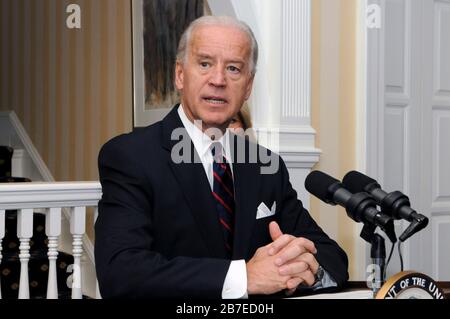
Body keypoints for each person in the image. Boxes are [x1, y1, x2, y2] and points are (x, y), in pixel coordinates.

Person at [95, 16, 348, 298]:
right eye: (205, 64)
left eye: (233, 68)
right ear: (180, 75)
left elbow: (330, 256)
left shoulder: (266, 166)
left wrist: (297, 271)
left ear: (248, 86)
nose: (218, 80)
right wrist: (244, 278)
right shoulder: (131, 156)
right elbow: (121, 273)